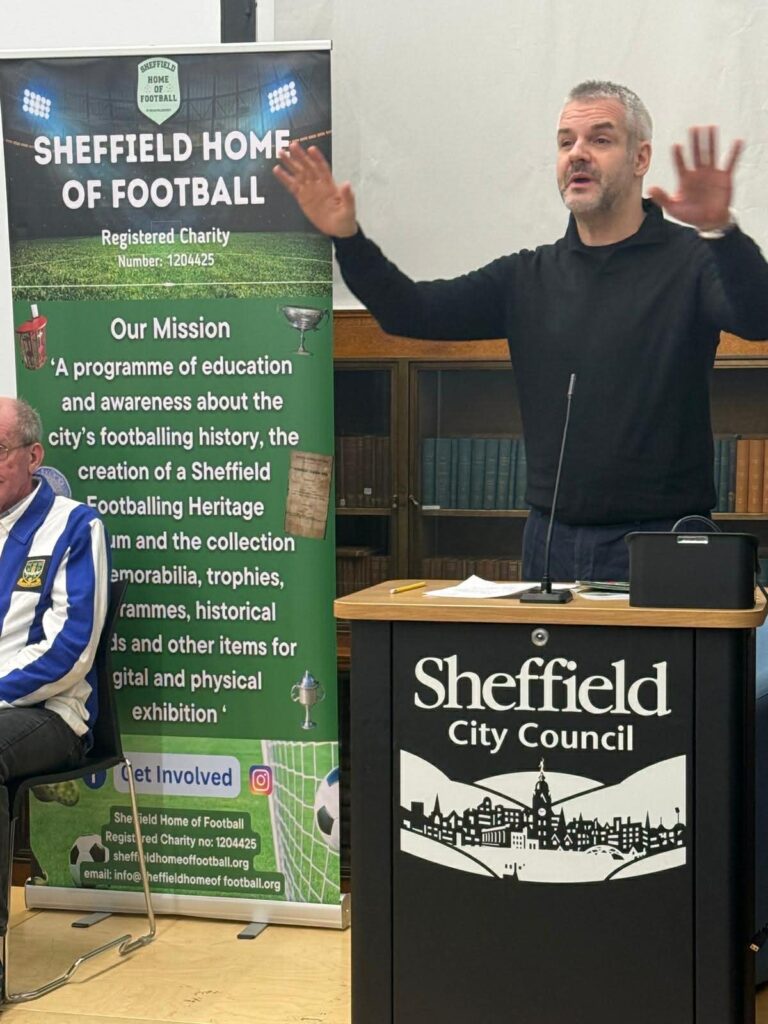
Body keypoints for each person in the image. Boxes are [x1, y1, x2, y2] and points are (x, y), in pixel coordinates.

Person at [274, 80, 768, 581]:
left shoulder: (693, 262)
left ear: (641, 158)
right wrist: (347, 238)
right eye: (565, 142)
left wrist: (720, 231)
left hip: (663, 539)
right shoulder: (528, 277)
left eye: (600, 139)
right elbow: (410, 312)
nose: (577, 154)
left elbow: (758, 317)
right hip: (550, 542)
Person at [0, 396, 109, 955]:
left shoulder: (74, 526)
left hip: (51, 714)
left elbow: (71, 650)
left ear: (33, 455)